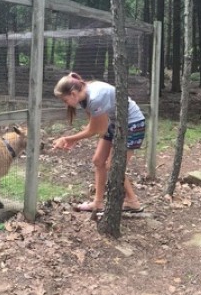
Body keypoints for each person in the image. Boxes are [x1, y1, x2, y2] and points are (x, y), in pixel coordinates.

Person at [52, 72, 146, 213]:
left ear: (73, 94)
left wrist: (68, 139)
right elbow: (95, 126)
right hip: (115, 122)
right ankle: (98, 203)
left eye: (65, 100)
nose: (65, 104)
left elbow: (97, 130)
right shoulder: (84, 95)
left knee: (113, 166)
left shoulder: (95, 98)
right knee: (98, 161)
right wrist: (75, 139)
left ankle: (133, 202)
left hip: (132, 124)